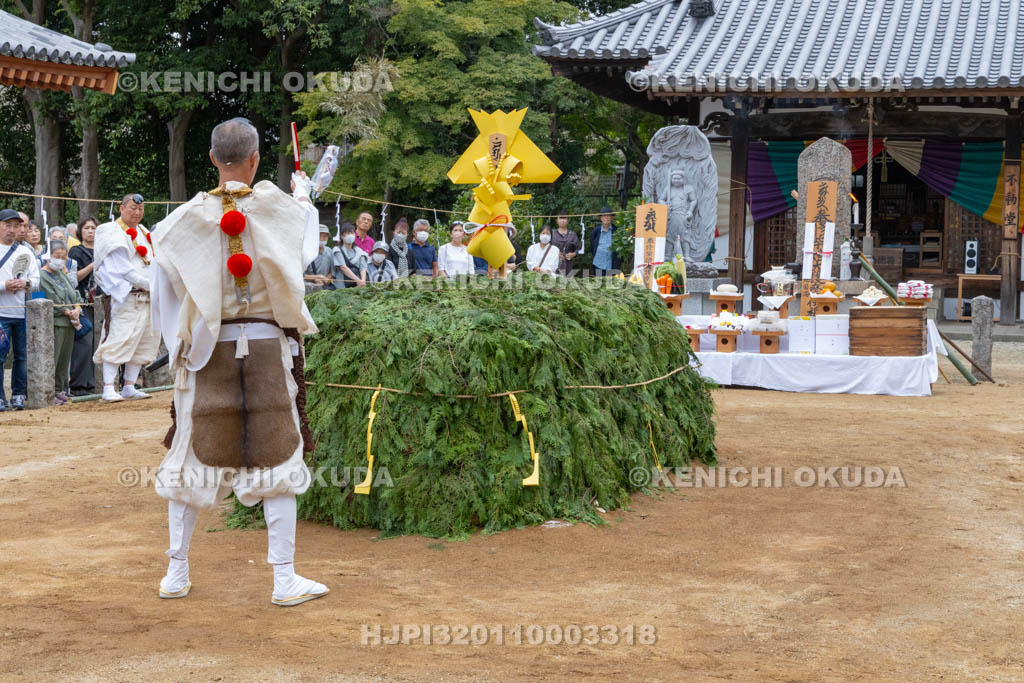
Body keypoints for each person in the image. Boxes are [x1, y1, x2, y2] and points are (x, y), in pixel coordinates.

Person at [149, 116, 327, 606]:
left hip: (208, 351)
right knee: (278, 457)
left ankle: (176, 573)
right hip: (270, 348)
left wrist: (179, 347)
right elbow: (303, 255)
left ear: (211, 159)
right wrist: (304, 198)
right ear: (254, 160)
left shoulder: (181, 220)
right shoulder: (279, 208)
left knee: (189, 457)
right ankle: (284, 579)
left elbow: (161, 285)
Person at [92, 193, 161, 403]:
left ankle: (130, 385)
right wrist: (148, 284)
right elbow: (121, 268)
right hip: (126, 295)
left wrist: (156, 285)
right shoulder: (110, 231)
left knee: (144, 340)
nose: (137, 212)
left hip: (148, 296)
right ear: (121, 208)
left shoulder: (144, 231)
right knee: (119, 338)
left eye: (140, 209)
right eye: (132, 208)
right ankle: (108, 387)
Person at [0, 208, 40, 412]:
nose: (12, 230)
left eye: (16, 226)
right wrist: (4, 285)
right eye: (7, 225)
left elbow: (37, 280)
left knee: (22, 355)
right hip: (1, 313)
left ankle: (18, 394)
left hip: (21, 312)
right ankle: (0, 396)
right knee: (0, 354)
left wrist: (24, 283)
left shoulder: (26, 252)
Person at [38, 239, 83, 405]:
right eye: (57, 256)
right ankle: (50, 391)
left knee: (64, 360)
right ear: (49, 256)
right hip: (57, 322)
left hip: (70, 321)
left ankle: (59, 389)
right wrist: (66, 311)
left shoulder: (61, 274)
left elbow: (74, 292)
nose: (61, 259)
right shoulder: (43, 275)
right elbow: (50, 297)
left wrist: (77, 308)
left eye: (64, 257)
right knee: (54, 358)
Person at [69, 217, 98, 395]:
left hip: (102, 303)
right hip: (82, 301)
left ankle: (93, 383)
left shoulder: (103, 250)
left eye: (93, 228)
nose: (90, 231)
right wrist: (93, 265)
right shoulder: (76, 251)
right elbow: (74, 278)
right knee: (84, 343)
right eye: (86, 228)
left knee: (97, 344)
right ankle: (79, 385)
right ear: (81, 231)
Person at [588, 205, 622, 276]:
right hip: (598, 263)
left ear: (612, 217)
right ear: (601, 218)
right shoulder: (596, 231)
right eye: (604, 216)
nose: (606, 217)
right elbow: (592, 246)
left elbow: (621, 247)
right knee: (599, 284)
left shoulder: (617, 230)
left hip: (612, 264)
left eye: (608, 215)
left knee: (611, 285)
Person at [332, 222, 367, 287]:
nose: (350, 235)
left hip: (358, 285)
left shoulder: (359, 251)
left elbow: (363, 267)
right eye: (348, 233)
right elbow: (343, 267)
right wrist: (358, 280)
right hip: (342, 285)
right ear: (342, 236)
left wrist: (363, 281)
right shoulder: (337, 249)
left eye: (352, 233)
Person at [551, 209, 580, 276]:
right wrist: (555, 253)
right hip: (553, 264)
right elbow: (546, 247)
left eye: (564, 218)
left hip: (568, 265)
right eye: (560, 218)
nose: (562, 220)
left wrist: (573, 254)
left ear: (568, 221)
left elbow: (579, 250)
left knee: (566, 284)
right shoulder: (552, 233)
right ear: (557, 220)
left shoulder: (572, 235)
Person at [304, 224, 334, 290]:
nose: (323, 238)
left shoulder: (329, 251)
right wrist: (316, 278)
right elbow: (302, 275)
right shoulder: (307, 252)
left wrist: (327, 279)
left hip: (325, 287)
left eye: (325, 236)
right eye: (320, 236)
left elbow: (332, 271)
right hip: (309, 287)